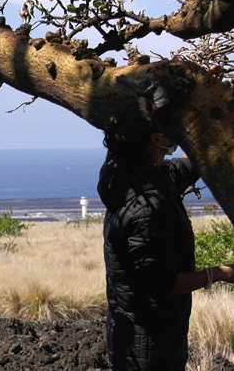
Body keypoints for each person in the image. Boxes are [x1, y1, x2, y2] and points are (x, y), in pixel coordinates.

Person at [97, 126, 234, 370]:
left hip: (149, 336)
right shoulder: (147, 208)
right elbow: (162, 283)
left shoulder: (139, 175)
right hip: (147, 347)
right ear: (156, 139)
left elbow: (190, 165)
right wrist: (219, 273)